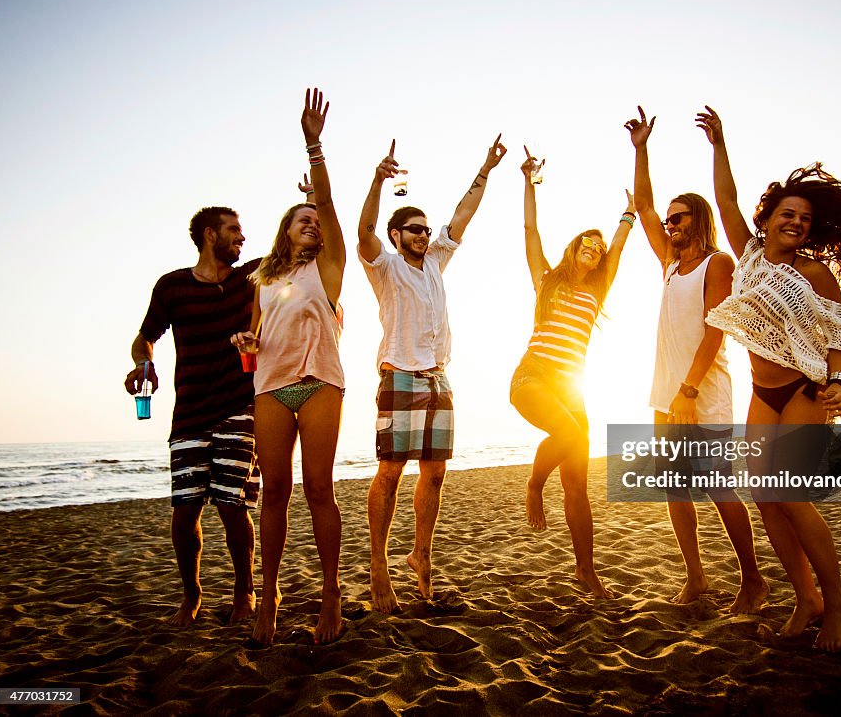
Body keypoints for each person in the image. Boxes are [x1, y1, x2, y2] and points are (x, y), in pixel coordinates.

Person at [696, 105, 841, 651]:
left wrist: (840, 383)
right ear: (767, 219)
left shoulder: (815, 274)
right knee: (765, 499)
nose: (796, 223)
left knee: (789, 495)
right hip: (761, 392)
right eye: (787, 214)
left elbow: (840, 340)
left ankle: (839, 601)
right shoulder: (747, 253)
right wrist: (719, 144)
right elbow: (724, 199)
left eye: (805, 219)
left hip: (803, 389)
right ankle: (806, 597)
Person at [625, 107, 768, 612]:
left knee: (715, 485)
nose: (669, 224)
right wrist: (641, 149)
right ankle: (697, 578)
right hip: (666, 392)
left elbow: (716, 329)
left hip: (701, 391)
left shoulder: (717, 262)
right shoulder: (670, 262)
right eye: (669, 221)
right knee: (674, 488)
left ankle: (753, 579)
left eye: (678, 218)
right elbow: (642, 207)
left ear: (698, 220)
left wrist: (688, 391)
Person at [358, 134, 507, 612]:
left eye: (425, 229)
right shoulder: (384, 266)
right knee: (390, 471)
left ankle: (420, 554)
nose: (424, 234)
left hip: (439, 378)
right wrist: (378, 181)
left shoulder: (437, 262)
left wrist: (486, 168)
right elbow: (363, 231)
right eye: (414, 229)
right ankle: (379, 565)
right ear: (397, 235)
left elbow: (464, 214)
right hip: (399, 374)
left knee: (436, 472)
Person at [231, 88, 347, 646]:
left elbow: (326, 205)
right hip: (270, 388)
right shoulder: (263, 278)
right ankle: (269, 596)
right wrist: (245, 341)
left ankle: (331, 593)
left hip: (319, 383)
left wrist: (314, 146)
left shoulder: (328, 269)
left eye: (316, 220)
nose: (312, 223)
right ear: (285, 229)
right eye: (301, 219)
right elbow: (254, 341)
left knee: (319, 490)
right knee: (275, 491)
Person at [509, 146, 635, 599]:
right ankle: (534, 483)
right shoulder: (547, 280)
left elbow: (619, 247)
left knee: (579, 486)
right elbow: (529, 230)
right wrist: (528, 180)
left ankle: (586, 570)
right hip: (533, 378)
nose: (596, 249)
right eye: (589, 243)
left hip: (573, 387)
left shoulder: (597, 292)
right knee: (564, 432)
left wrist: (629, 213)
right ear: (573, 248)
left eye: (599, 248)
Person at [124, 207, 259, 627]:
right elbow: (144, 338)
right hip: (189, 414)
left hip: (240, 408)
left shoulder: (251, 276)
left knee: (232, 506)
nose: (242, 237)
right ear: (208, 234)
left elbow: (302, 253)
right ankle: (192, 596)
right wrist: (143, 364)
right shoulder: (172, 287)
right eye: (234, 230)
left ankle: (245, 592)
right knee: (185, 510)